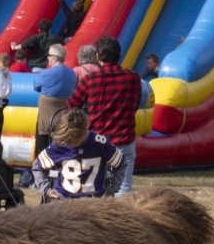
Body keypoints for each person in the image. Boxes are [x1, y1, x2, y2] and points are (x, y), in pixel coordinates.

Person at [67, 36, 142, 195]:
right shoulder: (133, 78)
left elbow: (71, 105)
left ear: (98, 57)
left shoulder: (90, 79)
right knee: (124, 187)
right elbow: (135, 104)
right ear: (119, 56)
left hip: (97, 140)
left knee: (92, 185)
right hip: (124, 138)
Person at [32, 107, 123, 201]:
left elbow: (120, 162)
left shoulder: (99, 143)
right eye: (69, 141)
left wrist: (112, 189)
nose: (71, 143)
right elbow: (38, 166)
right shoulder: (59, 144)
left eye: (74, 140)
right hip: (63, 201)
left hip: (94, 202)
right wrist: (46, 189)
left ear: (84, 130)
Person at [33, 43, 76, 161]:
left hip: (46, 120)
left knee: (42, 144)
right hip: (63, 119)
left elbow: (36, 86)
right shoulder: (72, 74)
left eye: (49, 55)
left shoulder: (46, 73)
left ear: (55, 58)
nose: (47, 58)